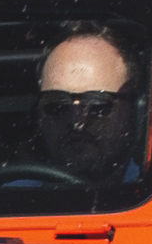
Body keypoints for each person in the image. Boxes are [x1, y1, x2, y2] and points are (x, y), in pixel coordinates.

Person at [31, 28, 143, 184]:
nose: (77, 122)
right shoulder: (11, 202)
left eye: (97, 104)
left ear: (135, 110)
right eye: (56, 105)